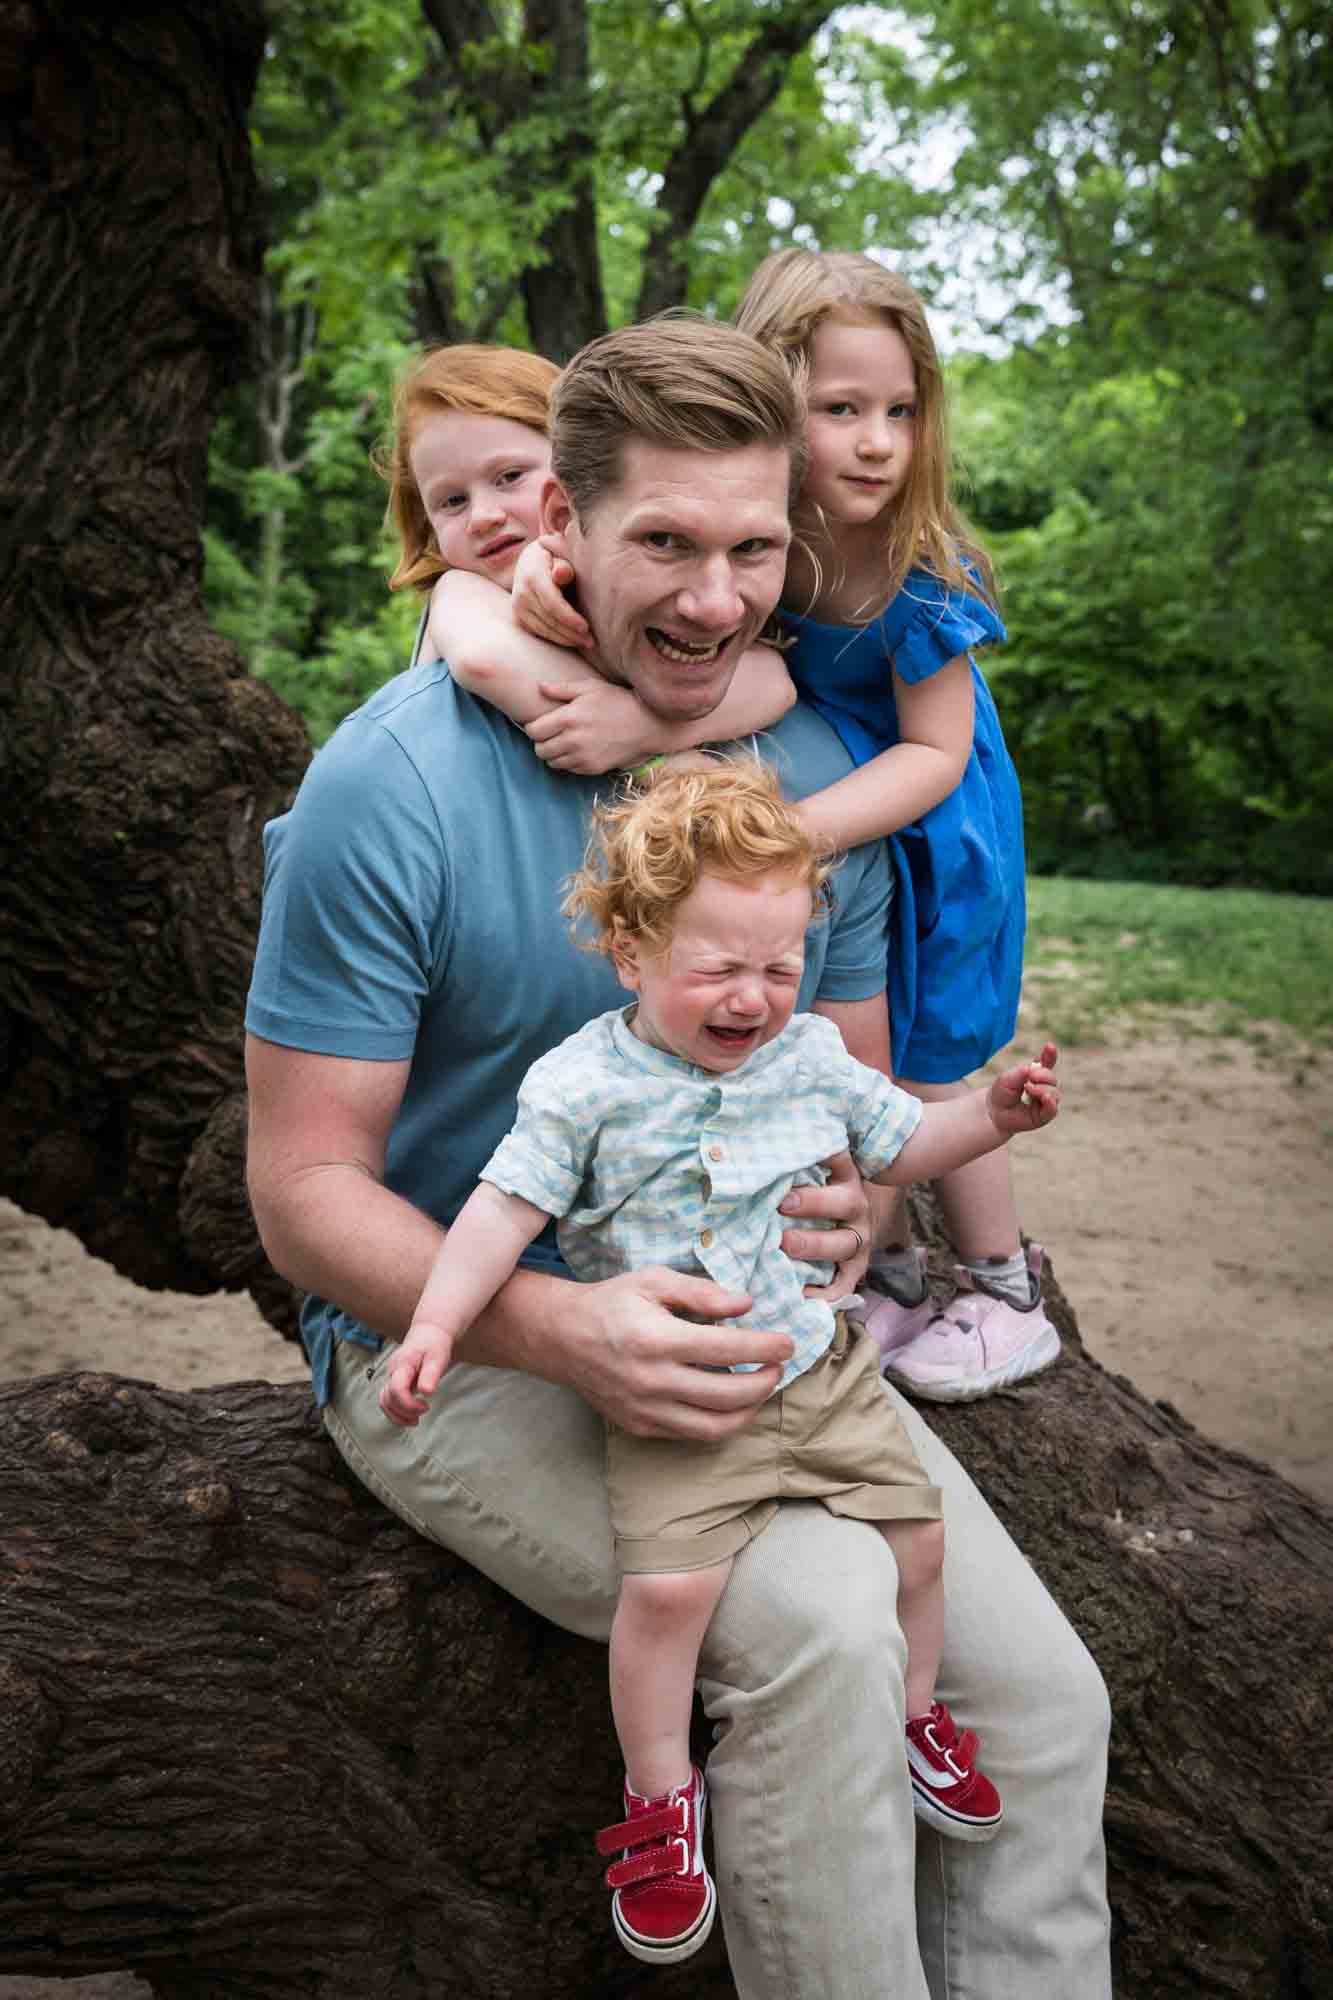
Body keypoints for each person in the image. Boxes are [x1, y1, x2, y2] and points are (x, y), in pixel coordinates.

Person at [245, 315, 1112, 1999]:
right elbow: (300, 1193)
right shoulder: (387, 784)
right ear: (553, 530)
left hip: (762, 1341)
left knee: (1040, 1704)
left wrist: (855, 1210)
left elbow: (846, 1115)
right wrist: (560, 1327)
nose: (713, 598)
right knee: (817, 1629)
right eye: (661, 542)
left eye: (748, 546)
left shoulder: (803, 785)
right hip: (459, 1330)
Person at [382, 757, 1063, 1963]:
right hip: (682, 1398)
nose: (753, 996)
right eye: (717, 969)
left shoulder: (805, 1056)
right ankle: (657, 1799)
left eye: (779, 965)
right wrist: (438, 1321)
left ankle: (915, 1719)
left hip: (819, 1367)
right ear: (632, 950)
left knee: (917, 1541)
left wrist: (994, 1115)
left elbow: (906, 1141)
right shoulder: (582, 1085)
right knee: (670, 1593)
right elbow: (497, 1212)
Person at [730, 247, 1060, 1402]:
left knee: (926, 1060)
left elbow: (935, 751)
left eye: (900, 411)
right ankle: (900, 1270)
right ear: (773, 406)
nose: (877, 440)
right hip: (860, 845)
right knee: (845, 1052)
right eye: (841, 409)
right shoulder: (767, 547)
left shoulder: (920, 570)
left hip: (940, 839)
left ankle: (1002, 1286)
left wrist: (800, 830)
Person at [378, 341, 796, 771]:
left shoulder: (606, 583)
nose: (482, 517)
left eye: (509, 477)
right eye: (451, 501)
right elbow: (484, 661)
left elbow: (775, 684)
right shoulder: (461, 591)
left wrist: (643, 728)